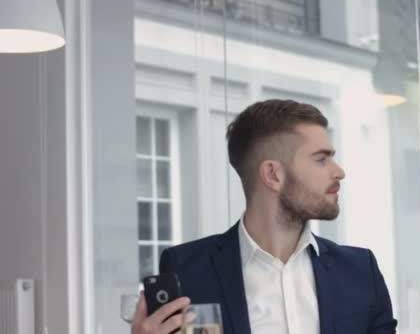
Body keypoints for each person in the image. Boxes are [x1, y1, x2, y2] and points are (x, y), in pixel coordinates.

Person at [131, 99, 397, 334]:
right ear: (273, 175)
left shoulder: (361, 272)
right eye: (321, 159)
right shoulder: (188, 270)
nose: (339, 172)